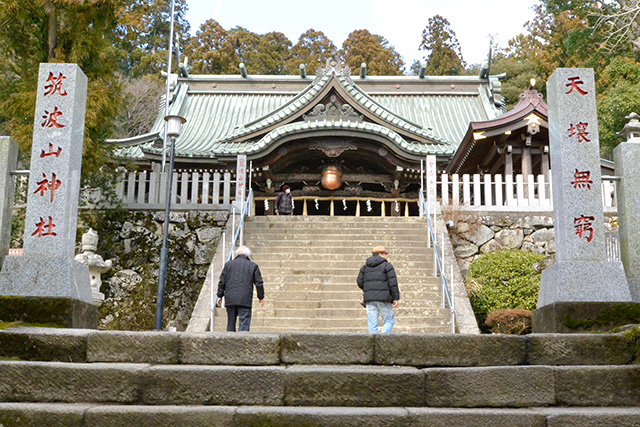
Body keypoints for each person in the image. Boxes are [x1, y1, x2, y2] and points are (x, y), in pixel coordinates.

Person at [216, 245, 265, 332]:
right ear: (247, 255)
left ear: (237, 254)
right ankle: (242, 343)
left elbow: (222, 281)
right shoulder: (253, 266)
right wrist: (260, 297)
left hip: (230, 298)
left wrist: (220, 295)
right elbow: (259, 283)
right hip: (245, 298)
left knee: (230, 323)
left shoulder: (228, 265)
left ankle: (229, 342)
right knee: (244, 323)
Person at [357, 246, 399, 334]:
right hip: (384, 299)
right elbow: (393, 283)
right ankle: (382, 339)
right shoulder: (387, 266)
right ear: (380, 254)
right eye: (385, 254)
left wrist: (368, 290)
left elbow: (359, 282)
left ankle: (374, 344)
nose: (386, 256)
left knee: (372, 324)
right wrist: (395, 297)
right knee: (389, 320)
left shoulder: (364, 267)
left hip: (370, 299)